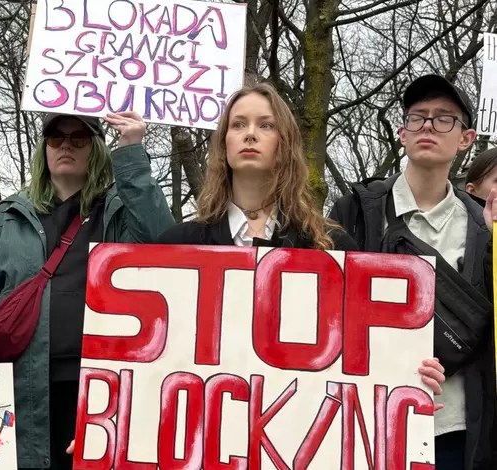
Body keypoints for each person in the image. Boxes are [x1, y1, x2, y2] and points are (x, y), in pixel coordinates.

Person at [0, 110, 175, 469]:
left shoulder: (118, 211)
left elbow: (162, 249)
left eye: (79, 139)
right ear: (44, 149)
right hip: (22, 385)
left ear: (96, 149)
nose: (66, 146)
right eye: (56, 138)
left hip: (101, 386)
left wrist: (132, 151)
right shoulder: (8, 217)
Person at [329, 74, 493, 470]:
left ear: (466, 138)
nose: (428, 127)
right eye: (418, 118)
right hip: (367, 424)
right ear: (402, 133)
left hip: (453, 429)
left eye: (443, 119)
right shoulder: (354, 212)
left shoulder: (482, 226)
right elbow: (329, 308)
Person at [156, 83, 357, 251]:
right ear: (224, 142)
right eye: (238, 125)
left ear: (285, 142)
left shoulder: (331, 246)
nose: (250, 134)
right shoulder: (179, 244)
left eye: (266, 125)